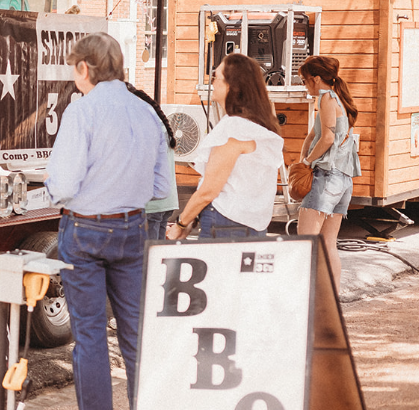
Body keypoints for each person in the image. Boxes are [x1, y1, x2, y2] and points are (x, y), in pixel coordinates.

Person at [44, 33, 172, 410]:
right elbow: (159, 187)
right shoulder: (146, 111)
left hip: (85, 228)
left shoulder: (83, 112)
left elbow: (61, 184)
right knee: (136, 336)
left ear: (85, 69)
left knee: (91, 337)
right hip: (133, 226)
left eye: (73, 68)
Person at [167, 54, 284, 240]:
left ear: (233, 86)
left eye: (215, 76)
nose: (212, 82)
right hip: (254, 225)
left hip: (225, 223)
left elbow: (209, 191)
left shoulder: (234, 129)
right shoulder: (260, 127)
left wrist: (181, 223)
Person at [296, 55, 361, 288]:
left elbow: (326, 138)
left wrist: (306, 162)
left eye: (304, 81)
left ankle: (306, 296)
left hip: (326, 178)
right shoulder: (340, 99)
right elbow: (314, 135)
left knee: (307, 242)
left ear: (315, 79)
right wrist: (305, 155)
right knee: (329, 242)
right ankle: (331, 297)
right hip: (344, 180)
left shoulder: (326, 99)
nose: (304, 85)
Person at [128, 83, 178, 239]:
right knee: (156, 258)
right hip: (165, 201)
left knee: (146, 259)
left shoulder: (143, 122)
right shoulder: (154, 117)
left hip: (150, 204)